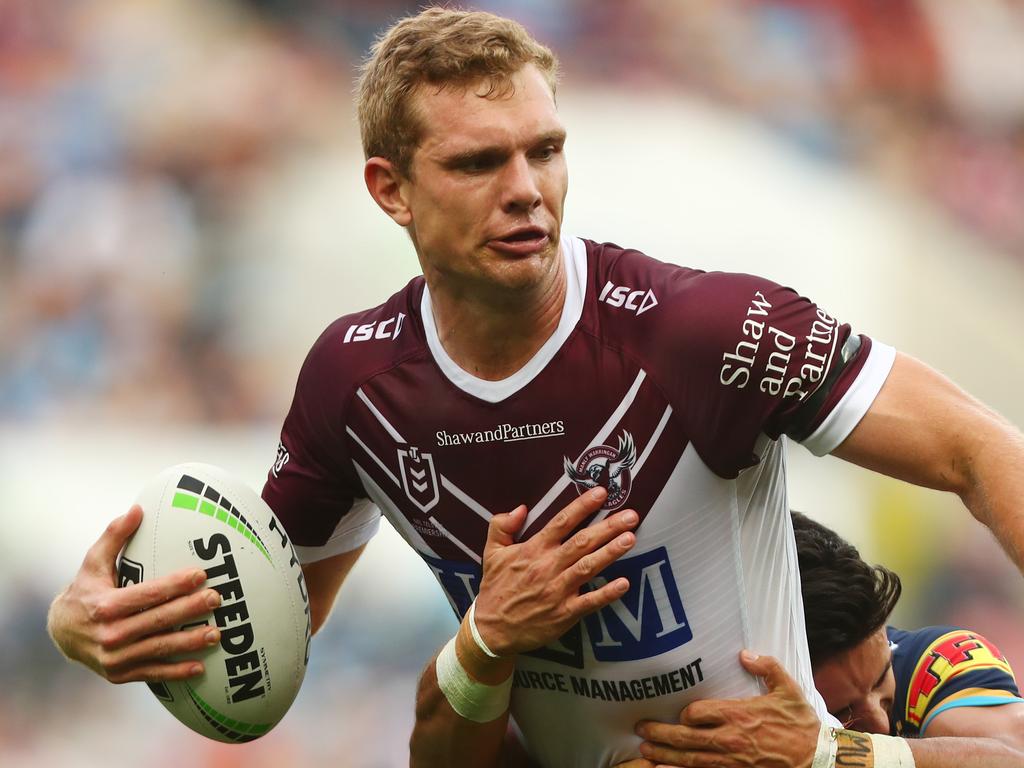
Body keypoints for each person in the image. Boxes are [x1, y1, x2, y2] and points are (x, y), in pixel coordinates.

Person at [46, 8, 1024, 768]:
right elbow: (256, 653)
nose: (525, 189)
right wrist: (88, 624)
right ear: (391, 189)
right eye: (478, 162)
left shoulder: (705, 332)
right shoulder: (354, 386)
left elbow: (979, 447)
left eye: (543, 150)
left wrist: (829, 751)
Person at [628, 513, 1024, 767]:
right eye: (844, 711)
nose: (881, 721)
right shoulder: (726, 725)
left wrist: (827, 751)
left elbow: (1013, 757)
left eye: (881, 680)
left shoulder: (936, 662)